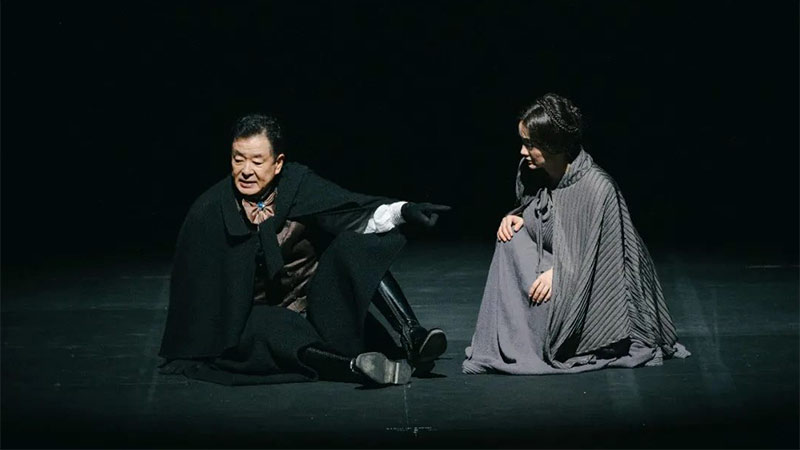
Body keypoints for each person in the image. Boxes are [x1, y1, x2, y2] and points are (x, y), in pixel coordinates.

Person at [159, 113, 449, 386]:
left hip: (321, 312)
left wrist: (403, 211)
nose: (246, 171)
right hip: (266, 325)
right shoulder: (211, 210)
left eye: (257, 161)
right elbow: (194, 288)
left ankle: (412, 335)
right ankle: (356, 368)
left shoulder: (297, 186)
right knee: (267, 325)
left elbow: (351, 213)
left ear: (277, 163)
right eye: (238, 160)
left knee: (351, 245)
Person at [463, 93, 690, 375]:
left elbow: (609, 260)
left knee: (551, 303)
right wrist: (519, 216)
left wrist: (561, 273)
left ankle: (545, 340)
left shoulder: (597, 188)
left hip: (594, 280)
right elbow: (544, 213)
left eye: (530, 144)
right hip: (557, 259)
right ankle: (514, 339)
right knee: (509, 239)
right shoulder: (534, 171)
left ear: (553, 145)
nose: (522, 151)